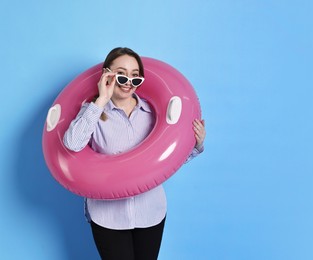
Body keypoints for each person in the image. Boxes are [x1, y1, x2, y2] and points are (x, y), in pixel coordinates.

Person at [63, 47, 206, 260]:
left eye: (134, 75)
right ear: (107, 74)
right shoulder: (92, 112)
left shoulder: (153, 113)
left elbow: (165, 162)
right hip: (108, 216)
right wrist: (101, 99)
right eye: (121, 73)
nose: (128, 81)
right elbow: (72, 144)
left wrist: (196, 145)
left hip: (150, 211)